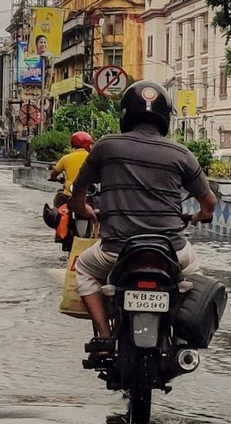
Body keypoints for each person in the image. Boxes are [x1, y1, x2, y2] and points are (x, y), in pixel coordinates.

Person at [72, 85, 215, 362]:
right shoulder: (182, 154)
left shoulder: (106, 146)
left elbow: (78, 191)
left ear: (125, 114)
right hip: (170, 250)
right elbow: (209, 203)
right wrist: (200, 216)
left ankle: (104, 337)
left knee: (84, 268)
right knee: (194, 275)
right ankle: (182, 338)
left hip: (116, 251)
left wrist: (85, 210)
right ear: (165, 117)